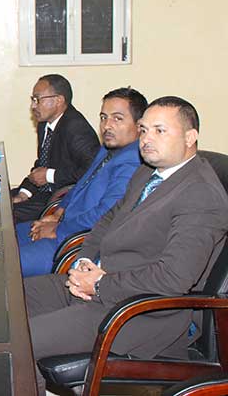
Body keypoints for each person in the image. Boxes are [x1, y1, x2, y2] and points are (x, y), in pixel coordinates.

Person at [26, 97, 228, 393]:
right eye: (144, 130)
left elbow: (174, 278)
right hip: (98, 285)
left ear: (190, 137)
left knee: (23, 341)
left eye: (160, 131)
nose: (146, 139)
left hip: (138, 314)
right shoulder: (148, 172)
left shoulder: (201, 194)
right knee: (9, 301)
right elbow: (109, 219)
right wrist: (84, 262)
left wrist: (99, 285)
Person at [17, 87, 147, 277]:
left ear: (139, 125)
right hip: (64, 225)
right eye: (103, 117)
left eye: (117, 119)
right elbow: (81, 183)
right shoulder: (107, 149)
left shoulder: (133, 161)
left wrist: (58, 228)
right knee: (4, 238)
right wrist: (58, 213)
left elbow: (106, 214)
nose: (107, 126)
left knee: (6, 264)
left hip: (75, 243)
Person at [12, 74, 100, 222]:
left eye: (38, 99)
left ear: (59, 100)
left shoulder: (76, 128)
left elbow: (93, 170)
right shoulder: (44, 123)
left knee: (7, 214)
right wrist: (24, 193)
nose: (33, 106)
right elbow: (42, 164)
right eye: (33, 100)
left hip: (63, 200)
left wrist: (49, 175)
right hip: (44, 191)